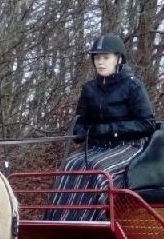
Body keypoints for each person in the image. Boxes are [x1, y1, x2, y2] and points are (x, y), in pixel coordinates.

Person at [48, 33, 157, 221]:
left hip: (129, 146)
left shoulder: (133, 86)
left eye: (106, 57)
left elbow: (147, 124)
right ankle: (57, 223)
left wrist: (111, 129)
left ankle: (94, 225)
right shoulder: (89, 88)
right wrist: (79, 131)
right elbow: (82, 118)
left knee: (98, 171)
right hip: (98, 147)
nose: (100, 62)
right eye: (97, 58)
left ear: (118, 59)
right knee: (70, 165)